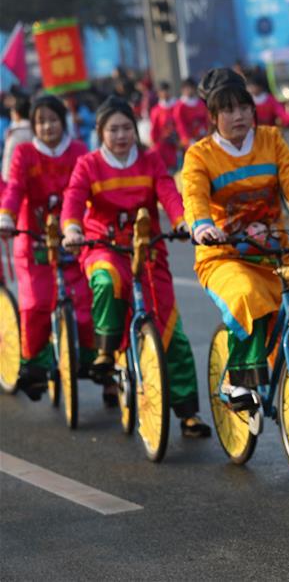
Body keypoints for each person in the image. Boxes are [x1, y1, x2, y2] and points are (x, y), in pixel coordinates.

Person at [60, 97, 210, 436]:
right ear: (100, 132)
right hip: (104, 248)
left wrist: (183, 221)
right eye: (113, 129)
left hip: (148, 252)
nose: (121, 135)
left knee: (172, 332)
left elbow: (169, 193)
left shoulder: (151, 160)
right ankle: (105, 349)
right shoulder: (88, 164)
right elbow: (72, 198)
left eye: (127, 127)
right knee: (106, 281)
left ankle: (188, 414)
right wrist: (71, 228)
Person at [182, 68, 289, 412]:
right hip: (224, 256)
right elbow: (194, 196)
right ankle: (237, 381)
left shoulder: (271, 140)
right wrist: (202, 225)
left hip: (273, 254)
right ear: (212, 117)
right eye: (227, 110)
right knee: (247, 296)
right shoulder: (200, 155)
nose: (238, 116)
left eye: (243, 107)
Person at [0, 96, 94, 400]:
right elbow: (14, 189)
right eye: (41, 121)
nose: (47, 126)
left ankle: (94, 363)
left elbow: (88, 191)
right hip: (34, 241)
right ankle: (36, 366)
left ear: (62, 121)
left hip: (73, 238)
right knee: (37, 304)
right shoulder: (24, 153)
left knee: (84, 301)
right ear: (34, 125)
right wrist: (6, 217)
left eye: (52, 120)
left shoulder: (79, 151)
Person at [149, 82, 179, 173]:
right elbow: (154, 130)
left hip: (179, 143)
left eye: (166, 90)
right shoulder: (156, 110)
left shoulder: (178, 106)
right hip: (165, 145)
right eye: (162, 91)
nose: (165, 93)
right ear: (158, 94)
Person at [2, 95, 32, 183]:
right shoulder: (36, 130)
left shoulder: (15, 133)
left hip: (17, 178)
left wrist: (6, 177)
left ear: (17, 114)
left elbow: (9, 156)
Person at [173, 78, 208, 151]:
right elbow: (180, 125)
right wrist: (188, 139)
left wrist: (205, 131)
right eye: (187, 88)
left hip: (203, 137)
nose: (189, 90)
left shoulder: (200, 103)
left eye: (191, 88)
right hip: (188, 142)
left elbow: (206, 119)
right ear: (182, 90)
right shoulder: (180, 106)